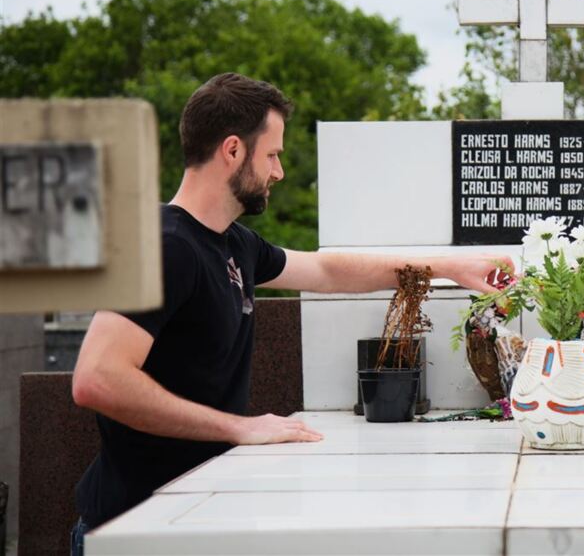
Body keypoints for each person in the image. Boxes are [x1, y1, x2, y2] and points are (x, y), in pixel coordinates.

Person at [70, 73, 512, 547]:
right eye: (272, 155)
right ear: (233, 150)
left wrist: (451, 267)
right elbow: (97, 378)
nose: (279, 172)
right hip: (133, 529)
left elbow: (327, 271)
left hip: (191, 516)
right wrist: (238, 428)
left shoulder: (235, 244)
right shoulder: (164, 246)